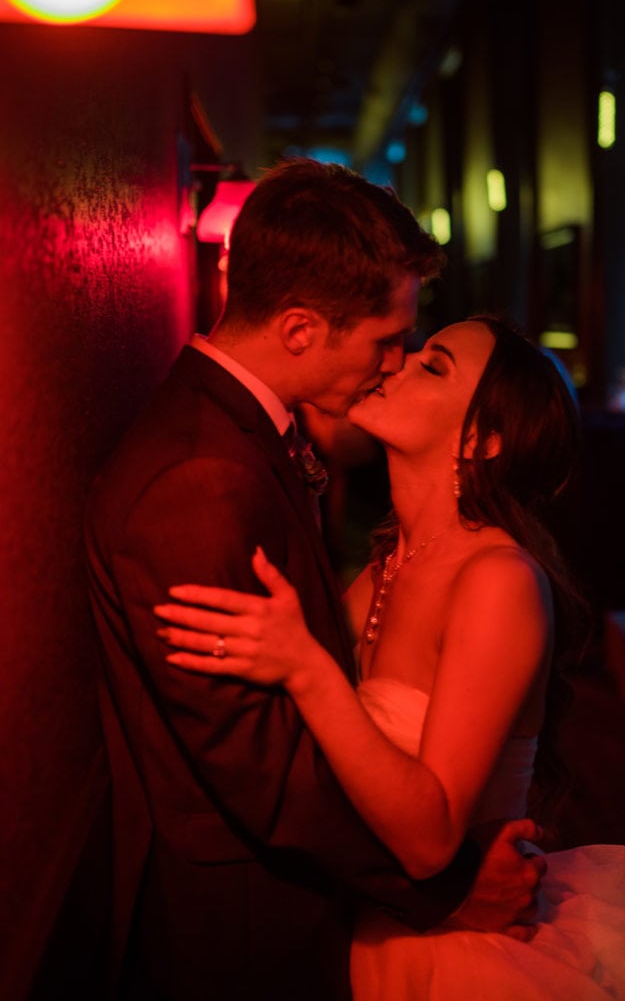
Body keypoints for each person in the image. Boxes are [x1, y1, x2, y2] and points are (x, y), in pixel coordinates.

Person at [84, 158, 545, 1001]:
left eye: (419, 354)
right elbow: (261, 767)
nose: (395, 363)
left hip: (328, 905)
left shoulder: (239, 438)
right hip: (250, 919)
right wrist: (442, 892)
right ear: (300, 330)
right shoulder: (201, 477)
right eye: (388, 341)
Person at [155, 315, 625, 1000]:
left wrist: (305, 665)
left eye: (434, 365)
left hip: (464, 957)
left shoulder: (498, 578)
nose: (399, 363)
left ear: (481, 439)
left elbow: (430, 836)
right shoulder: (382, 571)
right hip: (377, 925)